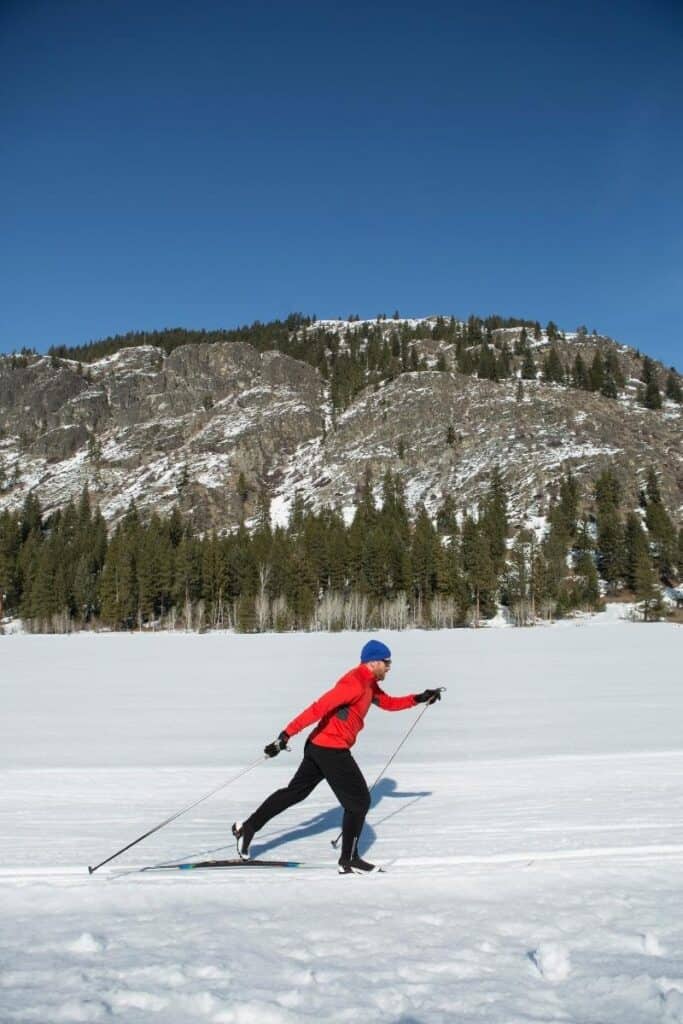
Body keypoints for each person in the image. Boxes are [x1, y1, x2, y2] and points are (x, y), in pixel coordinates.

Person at [232, 639, 442, 874]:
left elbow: (388, 703)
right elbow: (318, 708)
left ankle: (248, 828)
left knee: (294, 793)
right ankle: (349, 859)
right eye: (386, 662)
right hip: (330, 748)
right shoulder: (354, 683)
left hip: (320, 745)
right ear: (373, 662)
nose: (389, 667)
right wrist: (285, 736)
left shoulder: (369, 683)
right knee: (359, 802)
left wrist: (419, 698)